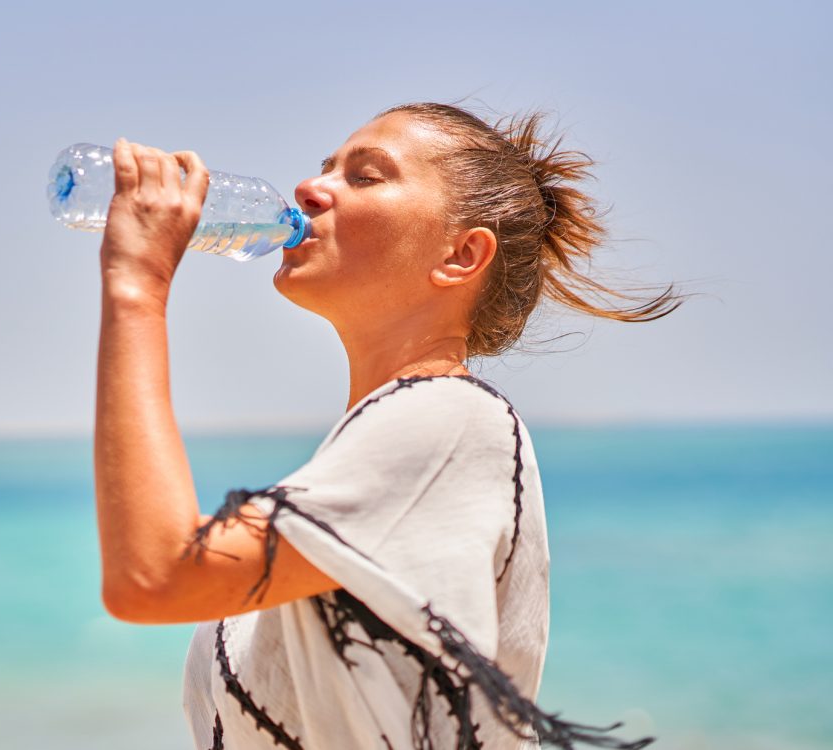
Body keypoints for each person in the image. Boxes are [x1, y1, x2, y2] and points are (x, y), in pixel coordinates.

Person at [91, 101, 681, 750]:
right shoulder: (376, 458)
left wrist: (137, 286)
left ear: (460, 255)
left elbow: (155, 578)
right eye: (325, 169)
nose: (309, 190)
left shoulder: (450, 425)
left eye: (365, 176)